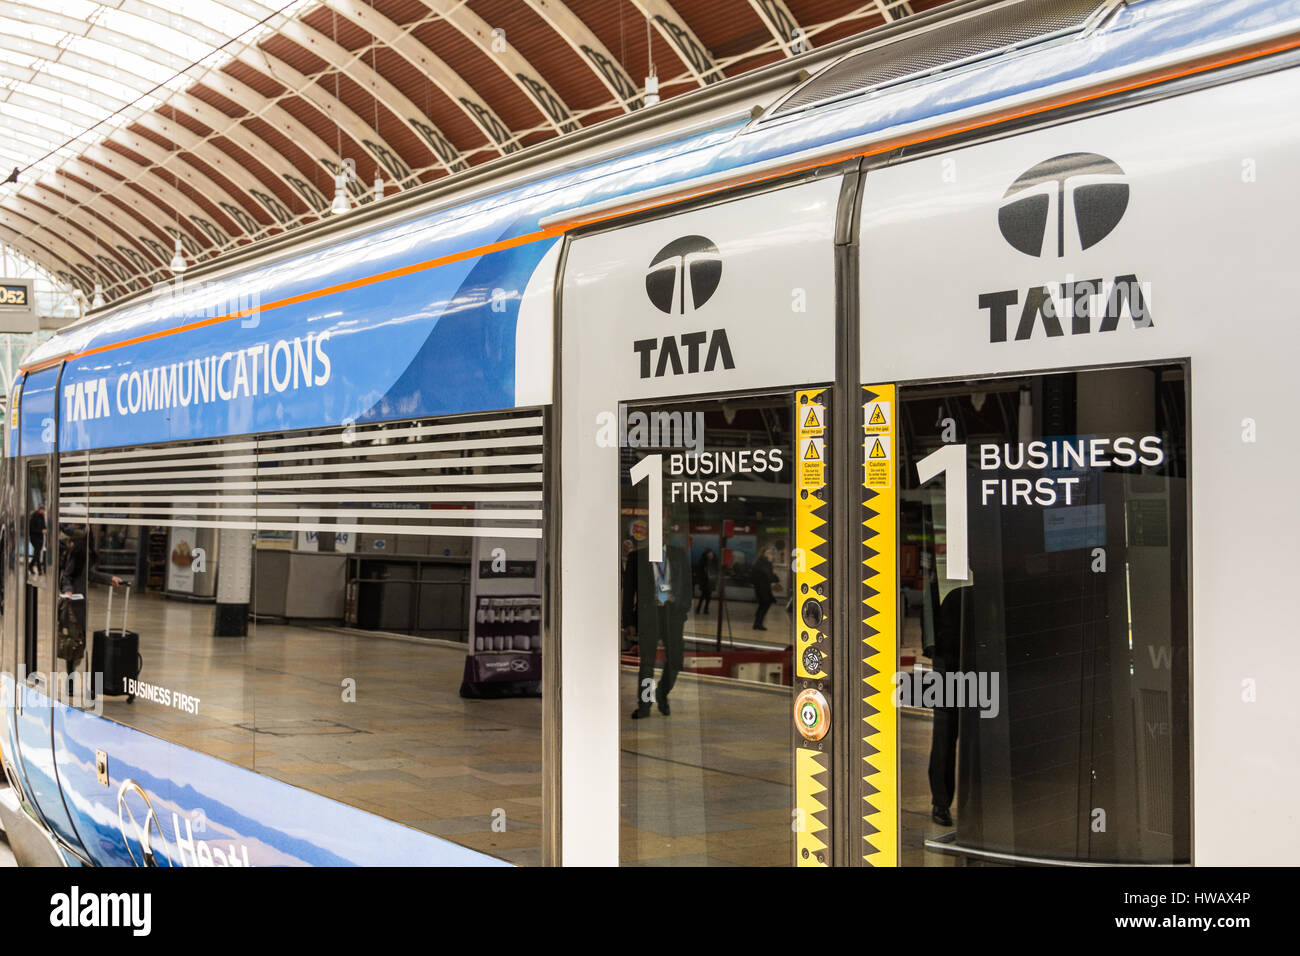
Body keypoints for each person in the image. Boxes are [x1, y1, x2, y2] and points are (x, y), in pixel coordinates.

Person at [627, 534, 692, 719]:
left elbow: (687, 584)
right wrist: (629, 621)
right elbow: (629, 591)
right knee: (647, 664)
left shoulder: (679, 555)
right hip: (649, 615)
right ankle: (644, 705)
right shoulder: (637, 557)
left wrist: (683, 608)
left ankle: (662, 694)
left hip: (672, 614)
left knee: (675, 661)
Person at [927, 585, 971, 828]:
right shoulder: (958, 597)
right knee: (947, 739)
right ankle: (943, 802)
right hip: (954, 672)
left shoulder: (955, 596)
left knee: (944, 739)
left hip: (951, 671)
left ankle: (941, 803)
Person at [751, 546, 779, 631]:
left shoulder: (763, 563)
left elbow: (772, 578)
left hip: (763, 587)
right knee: (765, 604)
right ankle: (758, 623)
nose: (770, 555)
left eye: (770, 553)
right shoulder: (763, 563)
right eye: (768, 553)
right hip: (762, 588)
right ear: (763, 554)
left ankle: (757, 623)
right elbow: (769, 576)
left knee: (763, 605)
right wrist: (773, 572)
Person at [695, 548, 718, 615]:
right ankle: (700, 609)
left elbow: (716, 570)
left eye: (711, 554)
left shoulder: (714, 561)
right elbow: (699, 571)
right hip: (704, 581)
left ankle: (704, 609)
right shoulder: (702, 561)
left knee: (708, 596)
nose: (710, 555)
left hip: (710, 581)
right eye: (709, 554)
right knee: (703, 595)